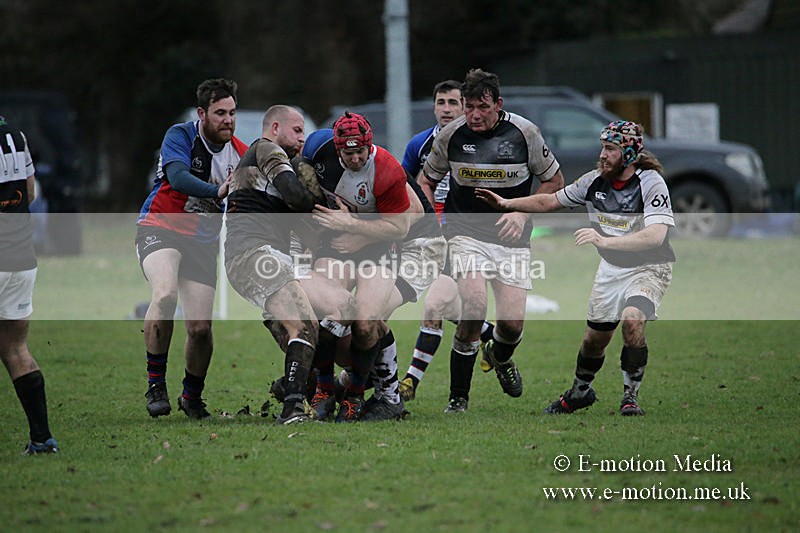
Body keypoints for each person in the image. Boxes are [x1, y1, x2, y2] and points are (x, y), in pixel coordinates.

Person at [476, 120, 675, 416]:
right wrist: (507, 203)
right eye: (603, 147)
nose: (603, 155)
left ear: (629, 154)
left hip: (650, 267)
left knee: (632, 320)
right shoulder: (593, 181)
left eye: (611, 149)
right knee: (594, 341)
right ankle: (580, 392)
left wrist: (604, 241)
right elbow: (550, 201)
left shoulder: (650, 183)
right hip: (611, 270)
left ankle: (630, 396)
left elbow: (655, 235)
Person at [419, 68, 565, 413]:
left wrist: (521, 213)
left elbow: (554, 181)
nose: (474, 115)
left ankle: (498, 356)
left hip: (511, 238)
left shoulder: (525, 133)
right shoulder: (451, 136)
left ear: (498, 104)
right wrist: (431, 224)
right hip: (464, 232)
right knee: (474, 306)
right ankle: (458, 398)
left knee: (511, 327)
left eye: (482, 107)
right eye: (469, 106)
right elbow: (425, 181)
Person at [135, 78, 248, 419]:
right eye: (220, 113)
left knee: (200, 329)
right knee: (165, 294)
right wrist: (217, 192)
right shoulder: (181, 136)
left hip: (202, 242)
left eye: (232, 113)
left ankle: (192, 397)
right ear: (202, 113)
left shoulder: (241, 154)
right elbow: (178, 177)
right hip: (161, 228)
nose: (228, 120)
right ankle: (156, 385)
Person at [303, 112, 417, 422]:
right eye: (348, 153)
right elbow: (299, 170)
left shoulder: (387, 169)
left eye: (361, 152)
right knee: (327, 310)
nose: (355, 159)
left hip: (378, 249)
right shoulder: (318, 149)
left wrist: (353, 226)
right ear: (337, 148)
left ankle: (355, 395)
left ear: (370, 145)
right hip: (335, 246)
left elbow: (400, 228)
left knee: (366, 324)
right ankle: (323, 389)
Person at [224, 105, 326, 425]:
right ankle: (293, 409)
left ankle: (290, 389)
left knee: (306, 339)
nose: (302, 138)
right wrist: (324, 204)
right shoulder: (267, 149)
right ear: (275, 128)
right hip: (254, 254)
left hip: (260, 258)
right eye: (297, 130)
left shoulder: (264, 166)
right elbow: (296, 197)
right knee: (305, 325)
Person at [397, 79, 496, 402]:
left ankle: (410, 381)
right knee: (446, 305)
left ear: (465, 107)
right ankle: (493, 336)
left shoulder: (479, 143)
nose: (447, 109)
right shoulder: (419, 145)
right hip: (428, 237)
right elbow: (403, 186)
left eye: (454, 103)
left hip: (464, 236)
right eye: (441, 102)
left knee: (435, 305)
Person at [0, 115, 59, 454]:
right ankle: (42, 439)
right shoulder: (15, 134)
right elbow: (31, 194)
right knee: (15, 348)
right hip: (20, 257)